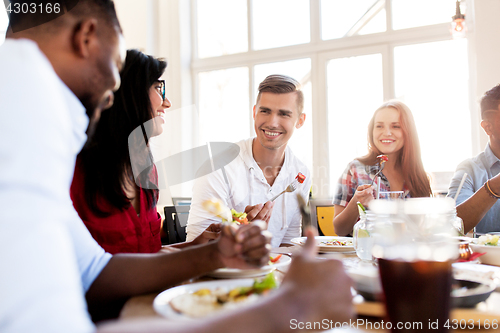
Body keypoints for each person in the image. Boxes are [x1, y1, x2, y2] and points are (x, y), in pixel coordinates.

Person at [0, 2, 354, 332]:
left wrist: (213, 252)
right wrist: (287, 309)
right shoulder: (24, 116)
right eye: (118, 62)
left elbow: (93, 271)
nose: (113, 86)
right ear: (86, 38)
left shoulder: (50, 135)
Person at [71, 49, 218, 254]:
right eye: (159, 89)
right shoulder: (75, 175)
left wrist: (199, 246)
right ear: (130, 95)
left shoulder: (146, 171)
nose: (167, 103)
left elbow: (149, 256)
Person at [186, 74, 312, 248]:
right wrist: (239, 234)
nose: (272, 122)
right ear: (254, 112)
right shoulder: (217, 167)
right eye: (265, 111)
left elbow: (288, 244)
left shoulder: (301, 174)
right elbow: (194, 249)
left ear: (300, 121)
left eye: (284, 114)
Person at [332, 100, 432, 236]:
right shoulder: (355, 170)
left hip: (406, 255)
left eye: (396, 126)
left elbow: (422, 231)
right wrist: (357, 201)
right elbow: (339, 230)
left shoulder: (418, 177)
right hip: (365, 254)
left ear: (408, 131)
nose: (387, 133)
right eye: (379, 126)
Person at [448, 84, 500, 234]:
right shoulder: (469, 170)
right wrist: (493, 188)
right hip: (485, 257)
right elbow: (453, 227)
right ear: (487, 127)